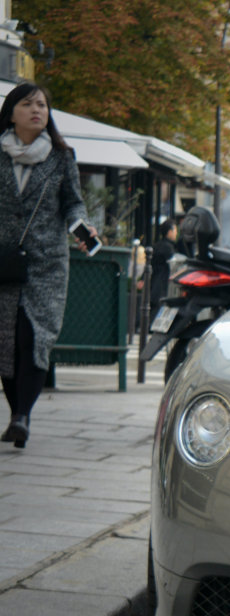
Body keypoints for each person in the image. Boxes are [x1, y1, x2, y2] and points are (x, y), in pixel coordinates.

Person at [0, 83, 96, 449]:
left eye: (42, 104)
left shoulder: (61, 156)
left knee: (34, 338)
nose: (37, 110)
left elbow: (73, 203)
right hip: (4, 261)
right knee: (7, 342)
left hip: (47, 264)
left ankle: (23, 417)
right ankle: (16, 414)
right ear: (12, 113)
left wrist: (82, 226)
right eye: (28, 104)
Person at [147, 217, 178, 324]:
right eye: (175, 230)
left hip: (154, 279)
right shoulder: (168, 248)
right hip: (162, 280)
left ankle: (147, 326)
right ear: (169, 232)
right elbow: (173, 265)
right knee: (159, 305)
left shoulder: (157, 245)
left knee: (153, 305)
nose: (176, 233)